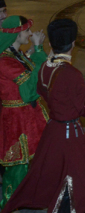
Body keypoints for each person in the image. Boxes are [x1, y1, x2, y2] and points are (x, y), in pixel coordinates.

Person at [2, 19, 85, 213]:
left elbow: (42, 91)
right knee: (80, 185)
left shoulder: (44, 67)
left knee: (60, 177)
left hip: (52, 132)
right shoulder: (71, 74)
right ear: (73, 44)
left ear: (50, 44)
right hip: (71, 135)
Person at [0, 16, 49, 208]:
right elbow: (29, 91)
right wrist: (38, 50)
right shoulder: (5, 61)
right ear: (16, 34)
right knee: (17, 167)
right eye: (27, 31)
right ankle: (9, 205)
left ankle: (30, 198)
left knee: (33, 162)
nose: (30, 34)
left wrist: (31, 54)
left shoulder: (15, 53)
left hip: (28, 116)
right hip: (16, 120)